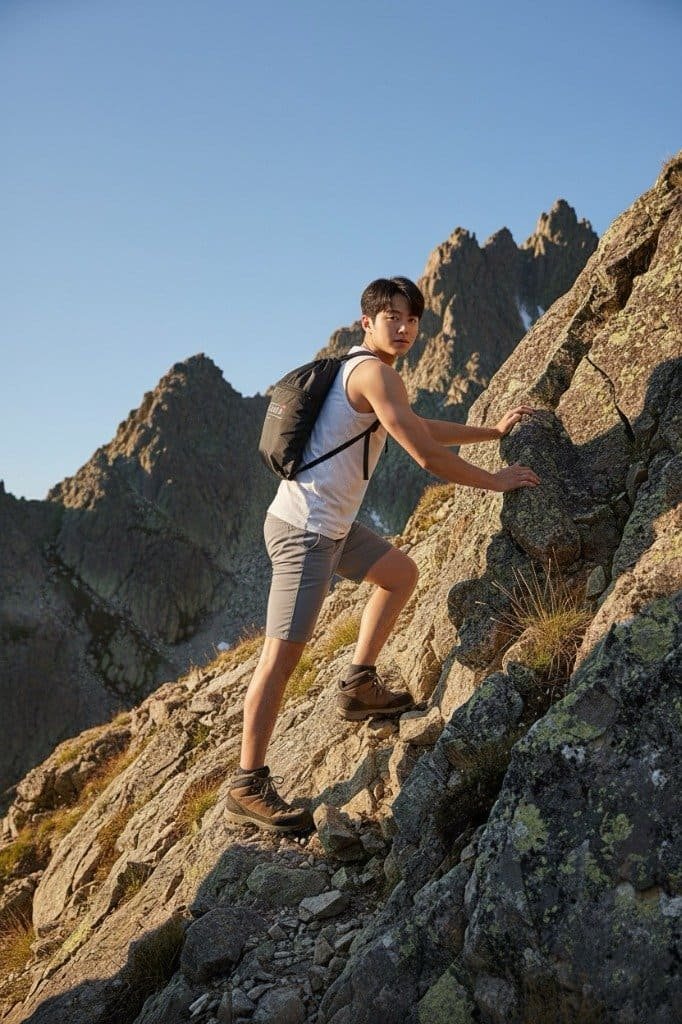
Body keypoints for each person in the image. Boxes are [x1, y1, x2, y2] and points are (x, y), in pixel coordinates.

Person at [226, 276, 540, 832]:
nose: (404, 328)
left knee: (399, 574)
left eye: (412, 319)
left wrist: (492, 432)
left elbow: (418, 426)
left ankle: (358, 686)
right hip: (307, 531)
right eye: (392, 317)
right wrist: (496, 481)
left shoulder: (365, 372)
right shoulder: (375, 373)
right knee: (280, 658)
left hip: (329, 525)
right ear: (366, 322)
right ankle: (247, 784)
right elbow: (425, 454)